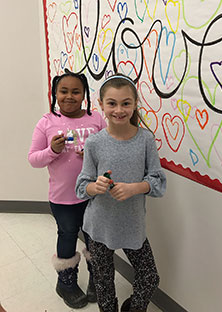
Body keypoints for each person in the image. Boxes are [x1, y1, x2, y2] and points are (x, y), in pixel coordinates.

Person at [75, 74, 166, 312]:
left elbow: (158, 181)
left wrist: (136, 187)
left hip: (133, 224)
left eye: (126, 103)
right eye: (112, 103)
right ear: (101, 104)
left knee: (149, 278)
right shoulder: (94, 143)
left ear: (135, 103)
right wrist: (96, 186)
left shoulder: (145, 139)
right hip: (99, 226)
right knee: (104, 287)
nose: (119, 110)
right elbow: (81, 186)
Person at [28, 72, 106, 309]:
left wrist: (94, 155)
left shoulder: (97, 119)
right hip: (63, 198)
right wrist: (52, 150)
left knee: (96, 238)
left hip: (94, 195)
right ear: (55, 94)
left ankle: (97, 279)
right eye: (64, 91)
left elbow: (109, 151)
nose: (69, 96)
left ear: (84, 95)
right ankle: (66, 283)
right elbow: (33, 159)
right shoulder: (47, 122)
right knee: (68, 235)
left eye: (76, 92)